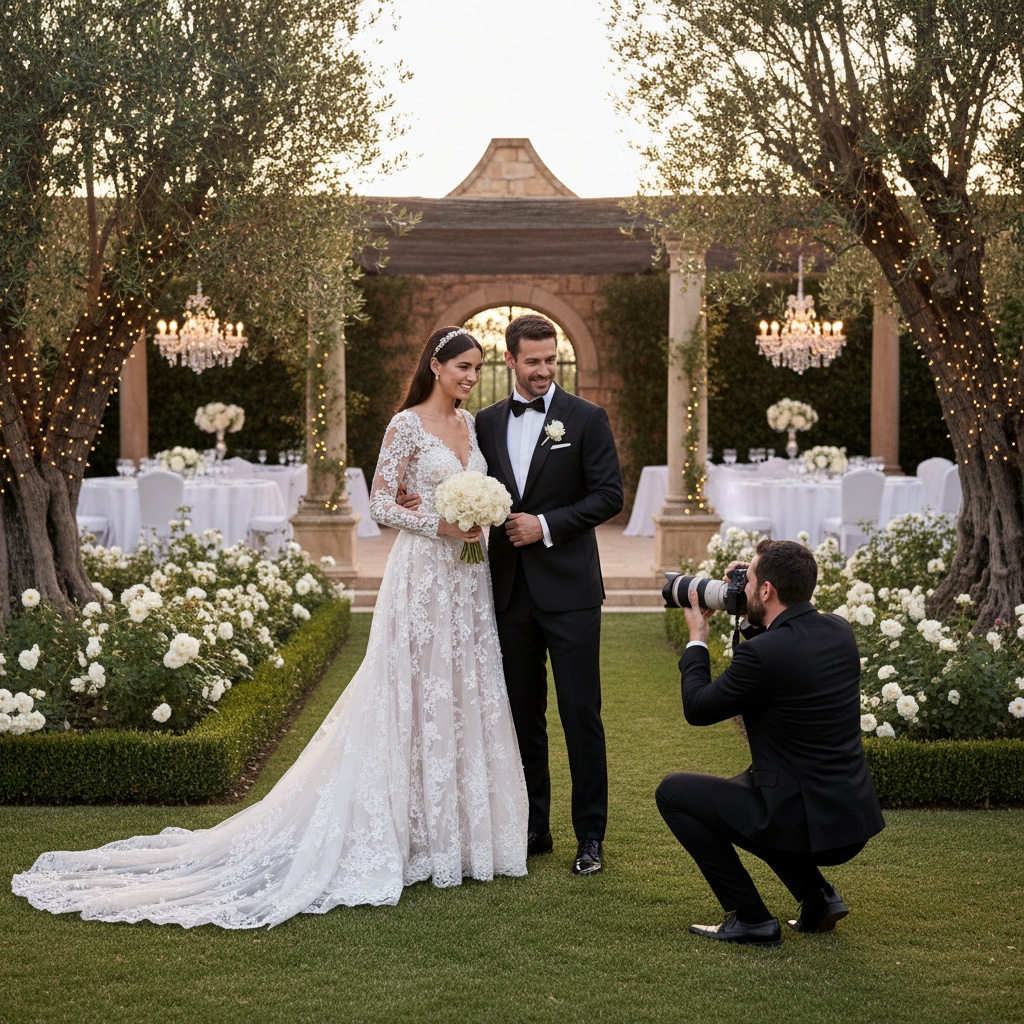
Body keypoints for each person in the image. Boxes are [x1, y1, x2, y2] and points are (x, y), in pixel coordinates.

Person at [11, 327, 528, 929]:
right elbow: (382, 503)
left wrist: (480, 517)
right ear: (436, 366)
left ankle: (454, 838)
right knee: (409, 691)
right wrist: (443, 523)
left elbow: (477, 491)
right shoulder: (405, 425)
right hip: (422, 576)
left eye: (478, 367)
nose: (471, 376)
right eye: (464, 366)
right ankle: (403, 834)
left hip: (467, 582)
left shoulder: (469, 427)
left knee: (460, 691)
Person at [656, 538, 885, 946]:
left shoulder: (764, 655)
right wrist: (748, 612)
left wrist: (697, 638)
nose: (743, 588)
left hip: (805, 824)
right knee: (754, 784)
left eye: (751, 581)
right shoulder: (838, 630)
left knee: (674, 793)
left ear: (767, 590)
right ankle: (819, 898)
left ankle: (752, 919)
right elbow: (778, 651)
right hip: (850, 817)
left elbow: (698, 707)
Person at [475, 313, 623, 877]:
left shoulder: (586, 418)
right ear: (509, 360)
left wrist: (545, 524)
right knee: (521, 714)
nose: (543, 370)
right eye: (532, 361)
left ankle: (590, 837)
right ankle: (534, 826)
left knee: (581, 712)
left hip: (572, 591)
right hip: (509, 592)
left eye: (550, 360)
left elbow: (609, 495)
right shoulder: (484, 424)